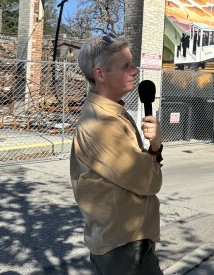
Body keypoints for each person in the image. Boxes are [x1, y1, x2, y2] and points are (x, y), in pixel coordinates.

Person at [70, 35, 164, 274]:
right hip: (123, 245)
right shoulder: (102, 125)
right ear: (100, 74)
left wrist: (152, 150)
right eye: (126, 66)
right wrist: (155, 148)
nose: (135, 70)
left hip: (130, 239)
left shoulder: (113, 112)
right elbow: (148, 180)